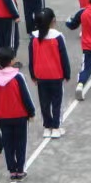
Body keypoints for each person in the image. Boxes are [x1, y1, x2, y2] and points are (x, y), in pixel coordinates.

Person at [0, 48, 34, 181]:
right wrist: (31, 112)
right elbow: (25, 96)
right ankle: (20, 170)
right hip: (19, 115)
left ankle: (12, 170)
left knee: (8, 143)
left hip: (2, 116)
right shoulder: (18, 76)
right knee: (20, 143)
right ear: (11, 61)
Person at [26, 9, 69, 139]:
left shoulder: (34, 37)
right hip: (56, 74)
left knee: (44, 102)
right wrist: (67, 73)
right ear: (53, 21)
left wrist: (33, 74)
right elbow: (63, 57)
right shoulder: (57, 37)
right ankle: (56, 127)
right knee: (57, 101)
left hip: (40, 75)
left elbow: (31, 58)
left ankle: (47, 126)